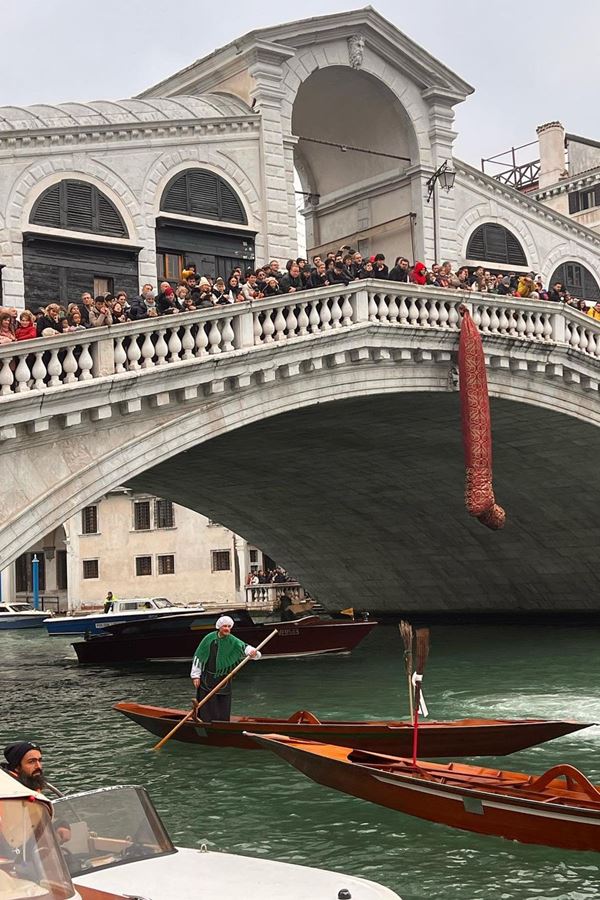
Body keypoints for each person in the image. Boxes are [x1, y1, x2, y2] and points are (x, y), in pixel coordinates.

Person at [190, 615, 261, 722]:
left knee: (222, 703)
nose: (227, 629)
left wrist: (253, 653)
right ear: (219, 627)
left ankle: (221, 723)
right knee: (207, 703)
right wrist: (195, 676)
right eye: (224, 626)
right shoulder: (209, 639)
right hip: (207, 677)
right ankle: (205, 722)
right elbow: (199, 657)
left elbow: (244, 647)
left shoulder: (232, 640)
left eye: (229, 626)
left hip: (224, 678)